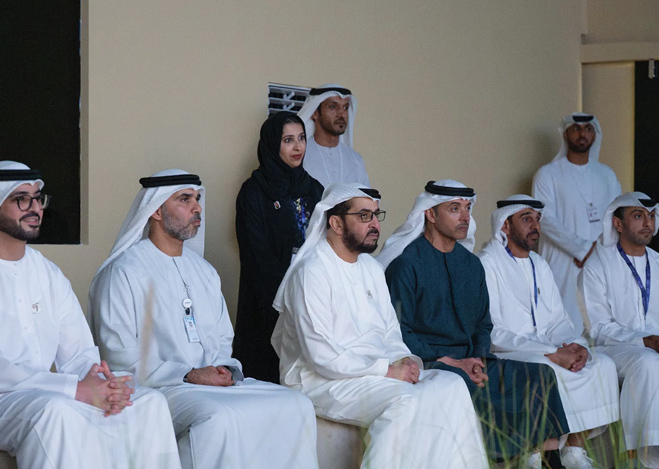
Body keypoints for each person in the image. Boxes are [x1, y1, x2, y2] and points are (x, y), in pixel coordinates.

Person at [88, 169, 318, 469]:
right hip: (159, 389)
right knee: (218, 418)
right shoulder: (123, 272)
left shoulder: (204, 271)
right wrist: (189, 374)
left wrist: (224, 369)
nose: (197, 208)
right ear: (155, 210)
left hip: (212, 386)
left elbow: (223, 338)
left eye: (197, 199)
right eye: (185, 199)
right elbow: (119, 357)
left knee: (296, 404)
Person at [272, 182, 489, 469]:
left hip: (372, 372)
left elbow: (390, 333)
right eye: (364, 216)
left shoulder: (371, 268)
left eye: (376, 215)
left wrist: (405, 361)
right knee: (406, 401)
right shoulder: (311, 272)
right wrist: (387, 370)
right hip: (321, 380)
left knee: (451, 385)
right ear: (336, 223)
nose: (375, 224)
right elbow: (321, 356)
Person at [0, 161, 181, 469]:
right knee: (56, 412)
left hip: (47, 394)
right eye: (21, 199)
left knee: (148, 402)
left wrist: (101, 384)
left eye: (38, 199)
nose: (35, 208)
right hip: (8, 398)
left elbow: (79, 353)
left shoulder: (47, 273)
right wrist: (74, 389)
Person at [380, 181, 570, 467]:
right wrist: (450, 361)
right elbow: (399, 331)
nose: (465, 217)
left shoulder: (471, 264)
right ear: (430, 214)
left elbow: (483, 323)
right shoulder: (406, 265)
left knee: (540, 375)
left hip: (474, 359)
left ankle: (549, 461)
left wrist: (477, 359)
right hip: (431, 361)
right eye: (454, 209)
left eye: (467, 208)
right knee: (461, 385)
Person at [478, 194, 621, 469]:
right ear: (505, 225)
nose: (535, 226)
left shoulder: (539, 263)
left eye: (537, 219)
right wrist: (552, 353)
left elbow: (558, 321)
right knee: (544, 368)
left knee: (602, 364)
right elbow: (493, 332)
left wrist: (576, 347)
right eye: (526, 219)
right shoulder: (487, 263)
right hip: (511, 351)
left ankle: (574, 452)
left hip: (547, 347)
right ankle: (532, 456)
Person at [233, 111, 323, 383]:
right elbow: (255, 254)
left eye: (301, 138)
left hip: (313, 299)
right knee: (267, 377)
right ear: (272, 145)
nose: (297, 147)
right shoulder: (254, 191)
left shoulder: (314, 189)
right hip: (267, 301)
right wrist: (290, 291)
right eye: (288, 140)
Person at [579, 192, 659, 468]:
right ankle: (647, 451)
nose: (647, 223)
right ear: (618, 224)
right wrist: (645, 341)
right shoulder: (598, 264)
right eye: (638, 216)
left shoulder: (658, 262)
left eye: (651, 216)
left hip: (653, 346)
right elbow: (599, 327)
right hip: (613, 349)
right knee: (648, 362)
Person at [533, 112, 621, 333]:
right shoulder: (547, 174)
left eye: (588, 128)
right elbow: (545, 219)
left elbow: (617, 217)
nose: (582, 133)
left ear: (595, 134)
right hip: (562, 261)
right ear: (566, 134)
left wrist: (598, 251)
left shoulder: (606, 175)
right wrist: (583, 250)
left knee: (601, 322)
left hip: (601, 259)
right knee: (564, 323)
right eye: (576, 128)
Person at [296, 84, 369, 188]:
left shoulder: (355, 159)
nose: (341, 114)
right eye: (333, 107)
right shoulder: (299, 155)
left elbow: (366, 196)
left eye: (345, 107)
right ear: (315, 113)